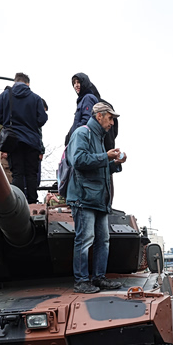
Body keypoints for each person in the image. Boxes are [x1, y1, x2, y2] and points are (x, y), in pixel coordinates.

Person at [67, 102, 126, 294]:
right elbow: (78, 160)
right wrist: (105, 157)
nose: (112, 123)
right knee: (85, 240)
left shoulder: (98, 137)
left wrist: (114, 163)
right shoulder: (82, 133)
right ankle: (81, 281)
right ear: (99, 116)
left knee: (103, 240)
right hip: (84, 198)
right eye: (110, 118)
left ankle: (99, 278)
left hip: (98, 198)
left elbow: (98, 167)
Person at [0, 73, 48, 204]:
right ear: (27, 83)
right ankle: (32, 202)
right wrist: (31, 124)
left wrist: (8, 122)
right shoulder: (35, 98)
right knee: (31, 174)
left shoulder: (5, 95)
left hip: (13, 141)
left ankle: (19, 203)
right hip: (32, 141)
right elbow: (42, 119)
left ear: (15, 82)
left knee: (17, 173)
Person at [66, 73, 119, 150]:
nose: (76, 85)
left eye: (78, 82)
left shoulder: (88, 98)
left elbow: (86, 120)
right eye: (74, 83)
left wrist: (73, 136)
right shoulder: (85, 100)